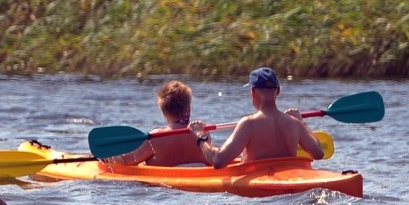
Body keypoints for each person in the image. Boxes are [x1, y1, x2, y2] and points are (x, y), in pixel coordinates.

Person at [189, 67, 324, 168]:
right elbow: (318, 153)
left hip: (258, 182)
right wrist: (302, 122)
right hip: (291, 176)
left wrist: (200, 135)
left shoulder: (248, 124)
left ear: (252, 92)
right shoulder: (295, 123)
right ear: (278, 91)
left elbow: (218, 160)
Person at [106, 80, 210, 166]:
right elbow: (211, 160)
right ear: (188, 108)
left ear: (164, 112)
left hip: (162, 187)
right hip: (199, 180)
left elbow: (127, 161)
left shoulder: (155, 137)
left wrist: (108, 155)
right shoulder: (201, 133)